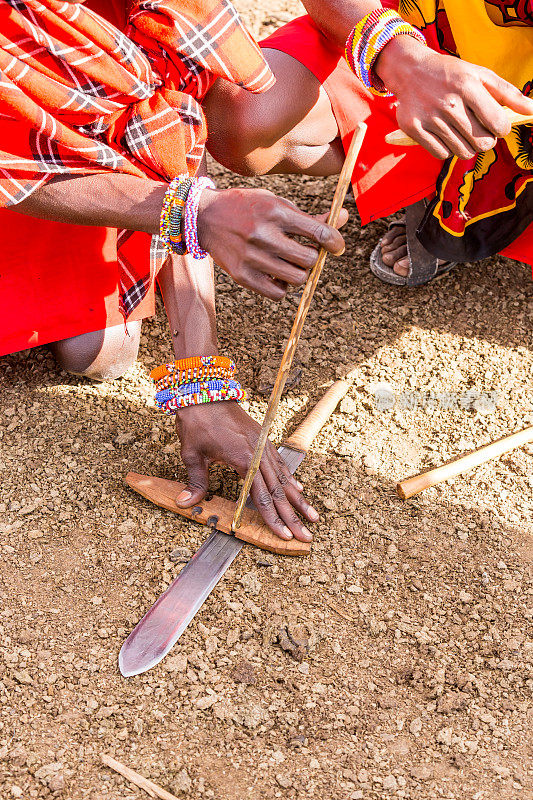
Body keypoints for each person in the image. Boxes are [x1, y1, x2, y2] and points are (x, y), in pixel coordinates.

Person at [0, 0, 348, 544]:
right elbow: (12, 163)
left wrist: (200, 384)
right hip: (16, 163)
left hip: (52, 143)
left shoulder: (152, 13)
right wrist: (194, 212)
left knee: (99, 353)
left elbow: (171, 136)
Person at [205, 0, 533, 287]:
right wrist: (402, 59)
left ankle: (460, 198)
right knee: (246, 118)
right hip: (417, 23)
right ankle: (425, 182)